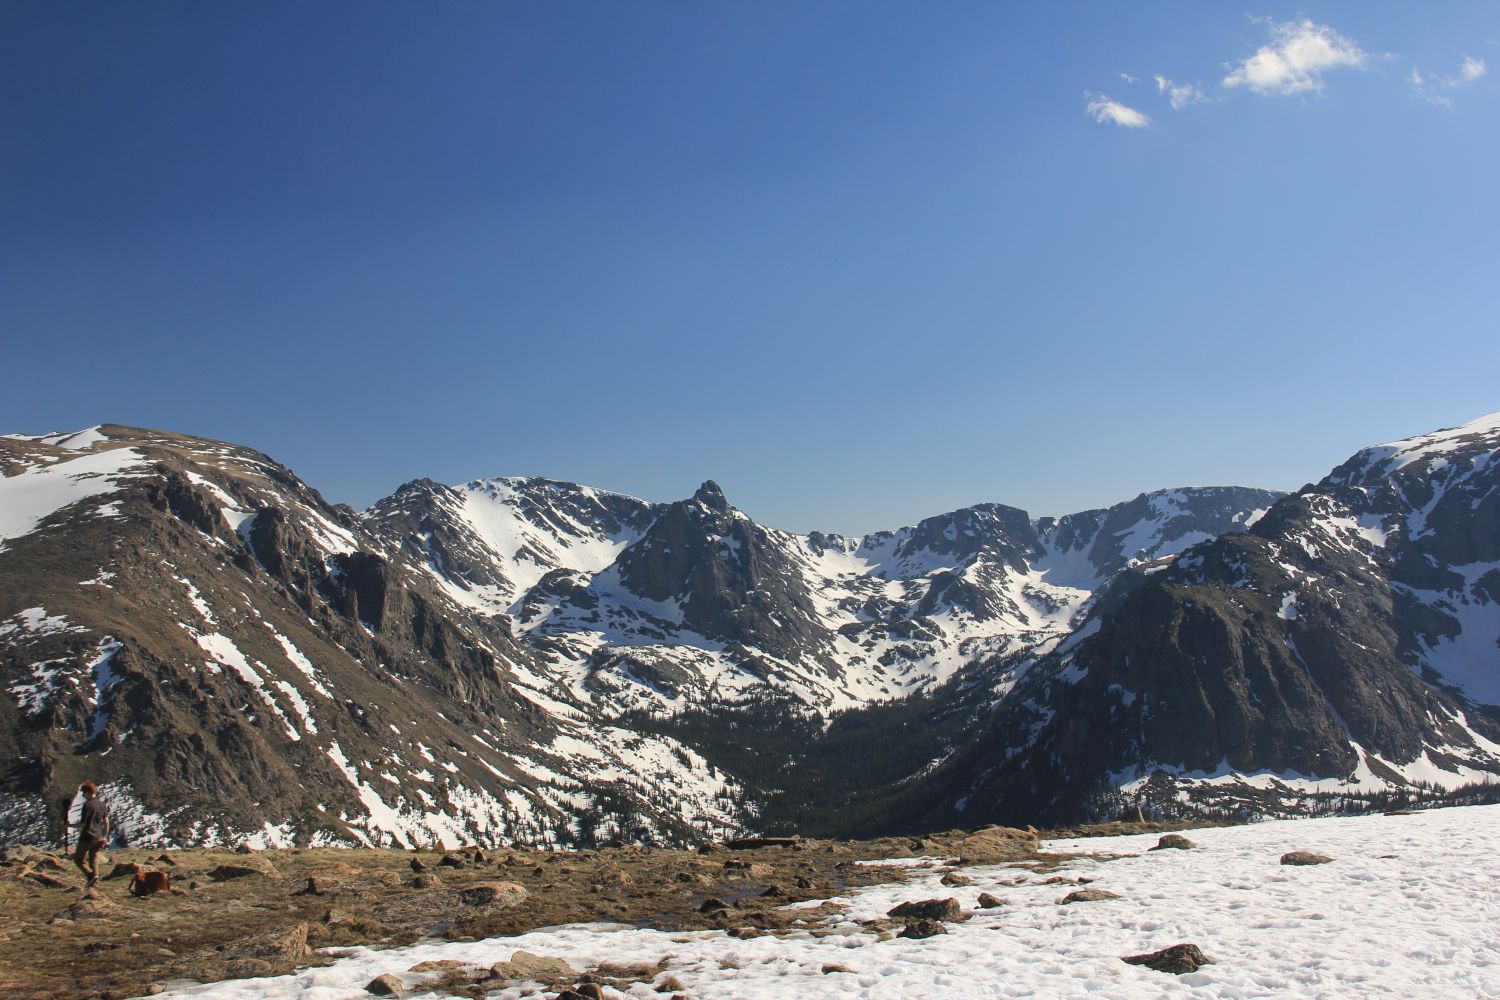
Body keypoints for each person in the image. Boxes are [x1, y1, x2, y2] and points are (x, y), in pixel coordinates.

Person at [72, 781, 110, 887]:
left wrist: (69, 825)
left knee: (78, 859)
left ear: (88, 792)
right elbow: (106, 822)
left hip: (87, 837)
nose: (83, 795)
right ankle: (95, 882)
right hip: (99, 837)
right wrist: (105, 836)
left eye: (84, 793)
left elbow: (83, 824)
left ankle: (90, 875)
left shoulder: (87, 805)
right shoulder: (101, 804)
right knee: (93, 859)